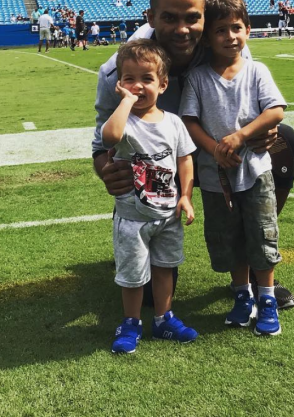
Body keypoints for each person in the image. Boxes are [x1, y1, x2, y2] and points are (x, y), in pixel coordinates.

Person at [92, 0, 294, 310]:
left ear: (204, 15)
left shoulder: (224, 45)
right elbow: (101, 140)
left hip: (220, 154)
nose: (182, 29)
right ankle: (138, 243)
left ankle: (253, 256)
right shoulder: (119, 71)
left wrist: (263, 131)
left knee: (284, 142)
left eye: (193, 18)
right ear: (151, 17)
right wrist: (104, 166)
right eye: (169, 18)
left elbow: (254, 106)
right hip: (156, 164)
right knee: (147, 296)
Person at [180, 0, 286, 336]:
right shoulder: (197, 77)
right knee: (229, 237)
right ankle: (242, 295)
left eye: (236, 28)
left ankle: (266, 298)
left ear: (249, 30)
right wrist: (213, 148)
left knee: (262, 234)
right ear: (207, 38)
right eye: (221, 30)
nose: (230, 37)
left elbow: (275, 110)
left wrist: (239, 137)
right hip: (215, 178)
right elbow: (189, 122)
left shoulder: (257, 71)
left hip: (256, 172)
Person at [102, 40, 198, 353]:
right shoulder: (124, 121)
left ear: (163, 83)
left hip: (168, 215)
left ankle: (163, 318)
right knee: (132, 276)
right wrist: (126, 102)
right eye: (129, 79)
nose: (138, 86)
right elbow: (109, 137)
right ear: (119, 84)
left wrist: (186, 196)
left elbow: (184, 160)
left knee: (164, 268)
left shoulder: (174, 122)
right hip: (133, 218)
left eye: (146, 79)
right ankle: (130, 322)